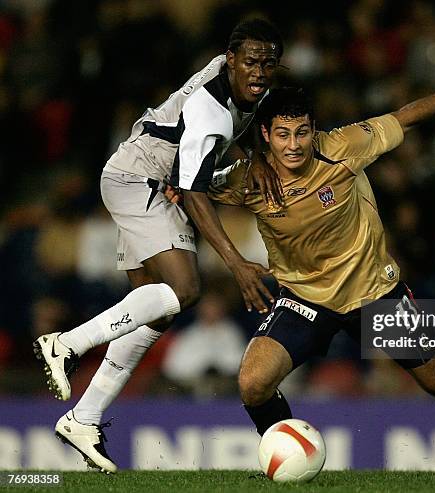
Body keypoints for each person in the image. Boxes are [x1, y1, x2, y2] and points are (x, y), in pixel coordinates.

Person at [207, 71, 435, 477]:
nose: (294, 145)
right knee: (253, 383)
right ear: (267, 135)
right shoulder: (248, 178)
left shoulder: (343, 146)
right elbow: (195, 188)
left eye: (302, 133)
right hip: (304, 298)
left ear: (314, 130)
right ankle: (291, 462)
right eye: (284, 134)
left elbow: (405, 117)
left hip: (375, 292)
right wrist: (178, 189)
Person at [33, 19, 284, 473]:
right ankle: (67, 344)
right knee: (186, 289)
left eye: (269, 63)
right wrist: (236, 264)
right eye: (251, 61)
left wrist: (254, 154)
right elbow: (193, 192)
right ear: (230, 60)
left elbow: (230, 130)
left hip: (147, 175)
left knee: (157, 309)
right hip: (139, 178)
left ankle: (83, 419)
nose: (260, 72)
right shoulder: (212, 109)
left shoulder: (242, 86)